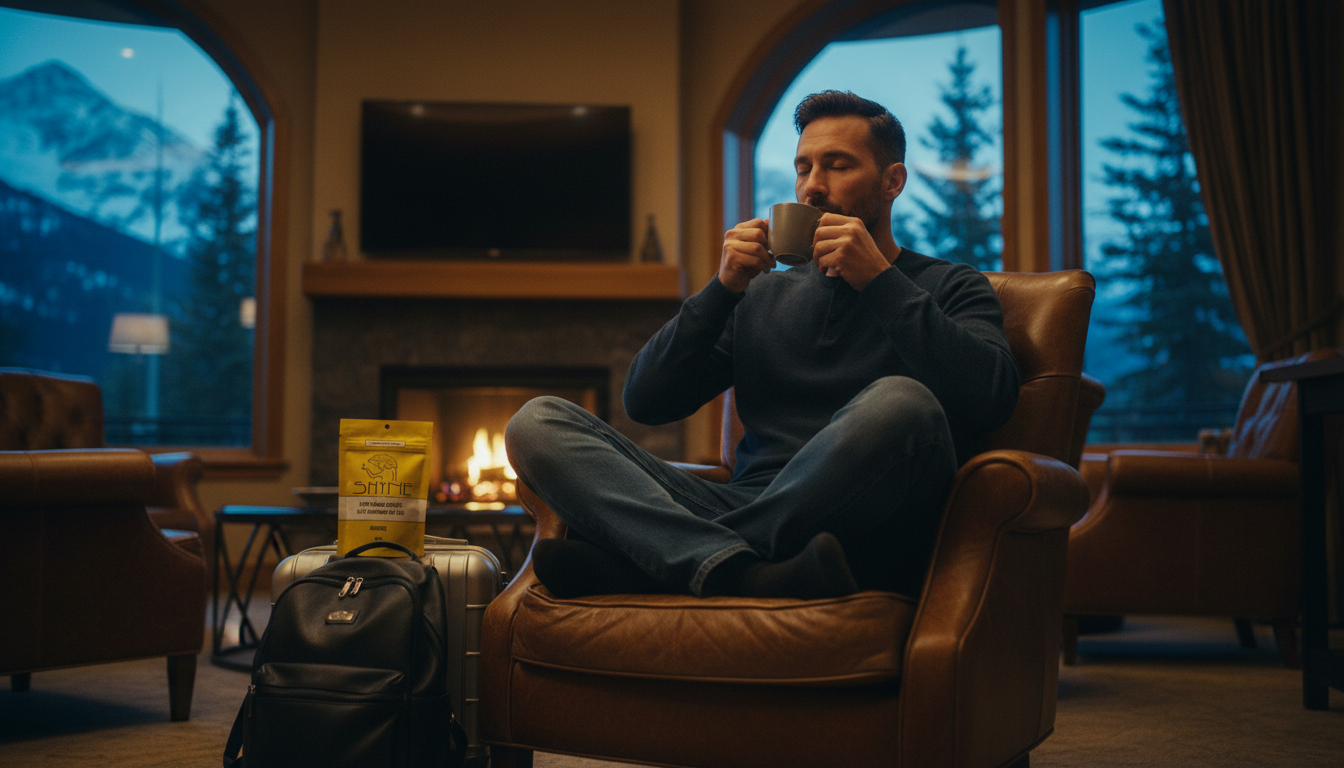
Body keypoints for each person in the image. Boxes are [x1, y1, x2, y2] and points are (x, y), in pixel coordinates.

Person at [505, 90, 1020, 600]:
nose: (812, 187)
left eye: (836, 166)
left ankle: (661, 561)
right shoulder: (761, 296)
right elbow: (645, 401)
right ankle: (740, 570)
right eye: (803, 168)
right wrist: (722, 288)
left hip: (861, 528)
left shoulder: (952, 285)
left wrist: (880, 281)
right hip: (743, 508)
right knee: (538, 422)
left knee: (902, 402)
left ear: (893, 182)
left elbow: (990, 397)